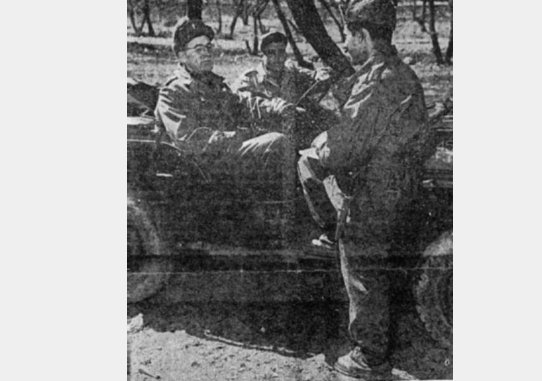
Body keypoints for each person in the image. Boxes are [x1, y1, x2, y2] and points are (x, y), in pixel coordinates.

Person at [299, 0, 429, 378]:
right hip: (398, 183)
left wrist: (321, 142)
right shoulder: (398, 72)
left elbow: (342, 148)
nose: (345, 44)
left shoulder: (378, 80)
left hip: (375, 191)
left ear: (364, 36)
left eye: (347, 37)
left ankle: (369, 358)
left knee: (360, 266)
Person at [155, 18, 295, 191]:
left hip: (223, 158)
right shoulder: (173, 92)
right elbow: (189, 140)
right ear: (181, 56)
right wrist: (235, 136)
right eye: (198, 49)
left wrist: (273, 106)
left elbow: (241, 103)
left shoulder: (213, 83)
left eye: (208, 47)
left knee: (282, 136)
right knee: (277, 142)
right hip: (202, 170)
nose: (206, 53)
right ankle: (285, 213)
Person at [231, 31, 338, 147]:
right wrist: (280, 107)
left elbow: (312, 75)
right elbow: (247, 103)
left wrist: (320, 74)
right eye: (271, 53)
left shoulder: (291, 71)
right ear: (263, 55)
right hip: (267, 140)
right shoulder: (250, 79)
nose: (278, 58)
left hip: (294, 133)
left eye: (281, 52)